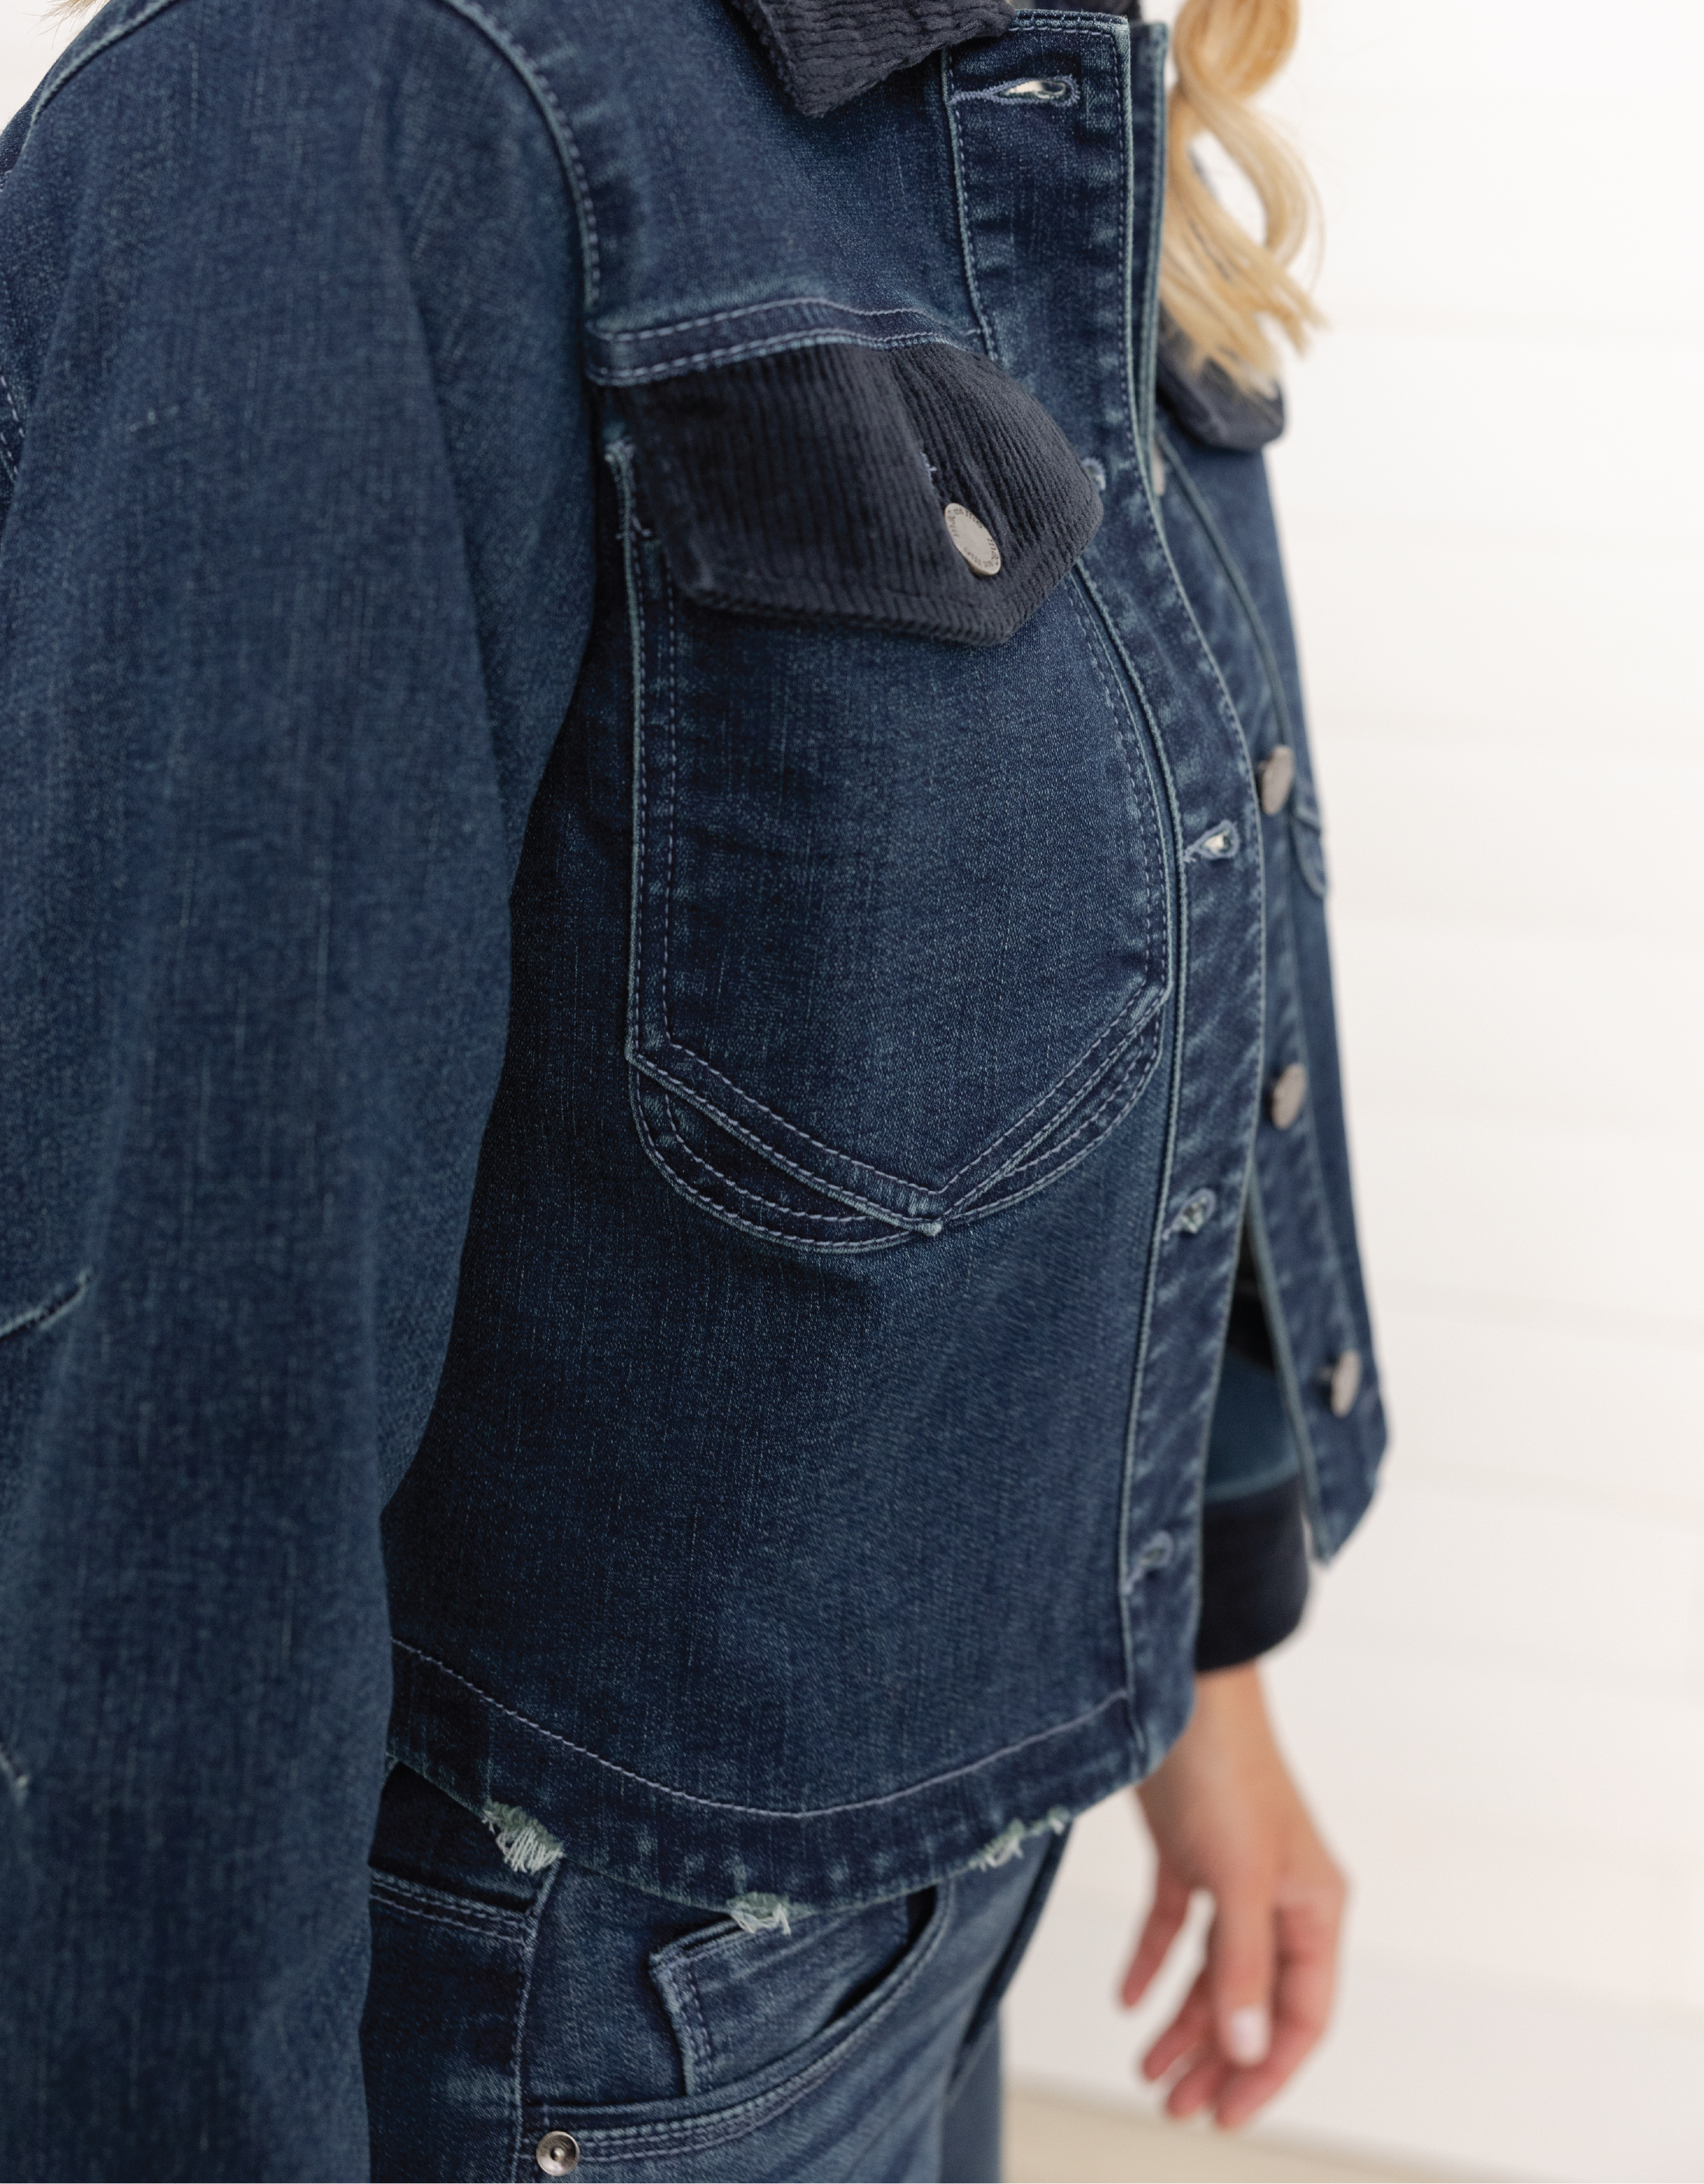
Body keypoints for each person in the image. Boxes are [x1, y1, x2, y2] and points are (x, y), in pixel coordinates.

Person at [0, 0, 1386, 2176]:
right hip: (564, 2026)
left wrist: (1212, 1660)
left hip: (918, 1908)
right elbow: (182, 1405)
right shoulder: (342, 97)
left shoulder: (1040, 68)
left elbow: (1199, 892)